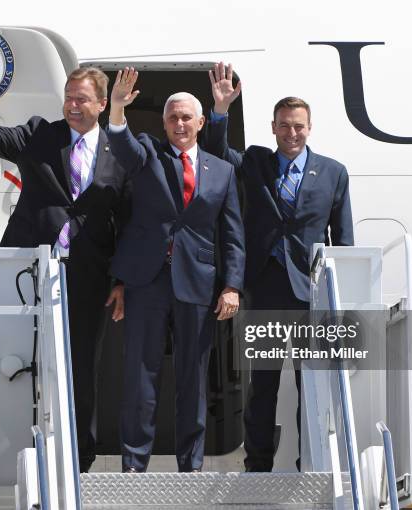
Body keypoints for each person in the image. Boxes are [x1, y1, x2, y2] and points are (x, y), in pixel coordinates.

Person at [0, 46, 130, 473]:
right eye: (69, 97)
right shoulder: (43, 133)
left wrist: (120, 281)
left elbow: (126, 218)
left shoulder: (121, 151)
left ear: (101, 104)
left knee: (81, 364)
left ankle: (79, 458)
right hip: (30, 268)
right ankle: (18, 450)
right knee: (20, 358)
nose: (73, 106)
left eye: (82, 99)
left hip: (88, 273)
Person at [206, 62, 354, 472]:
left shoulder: (333, 173)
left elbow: (343, 240)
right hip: (265, 289)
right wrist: (220, 110)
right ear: (273, 127)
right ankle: (258, 465)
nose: (292, 133)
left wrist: (342, 302)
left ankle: (312, 462)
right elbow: (218, 154)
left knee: (310, 386)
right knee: (264, 385)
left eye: (299, 126)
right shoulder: (255, 163)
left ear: (310, 128)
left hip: (310, 293)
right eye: (285, 126)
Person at [107, 67, 245, 473]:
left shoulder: (223, 171)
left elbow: (233, 235)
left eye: (187, 117)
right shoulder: (148, 152)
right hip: (147, 282)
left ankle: (192, 466)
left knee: (192, 381)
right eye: (173, 117)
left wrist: (232, 285)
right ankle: (134, 465)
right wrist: (117, 108)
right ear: (164, 123)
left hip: (198, 285)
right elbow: (122, 144)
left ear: (201, 123)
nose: (180, 124)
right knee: (140, 379)